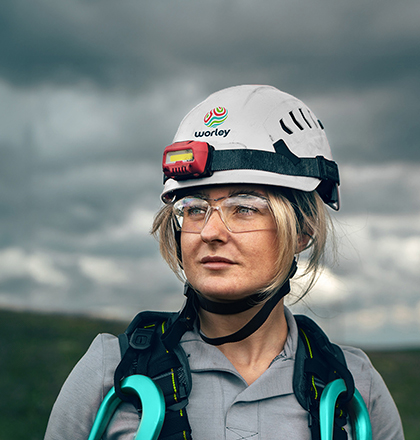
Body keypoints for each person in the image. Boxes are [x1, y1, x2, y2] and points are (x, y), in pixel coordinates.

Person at [44, 85, 404, 440]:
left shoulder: (353, 389)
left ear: (302, 231)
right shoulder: (112, 374)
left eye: (245, 208)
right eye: (195, 208)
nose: (210, 231)